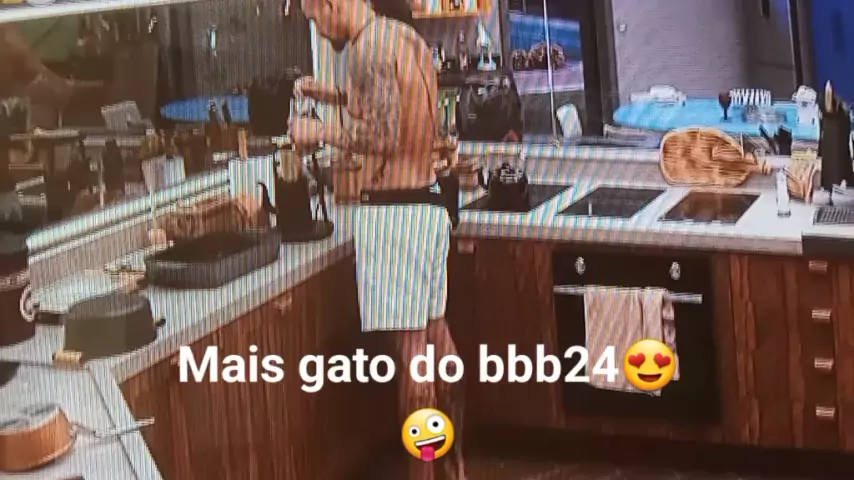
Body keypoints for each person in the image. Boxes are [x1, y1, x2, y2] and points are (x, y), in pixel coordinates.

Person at [292, 1, 466, 479]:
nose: (318, 29)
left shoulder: (366, 49)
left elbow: (383, 135)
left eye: (315, 18)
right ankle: (456, 470)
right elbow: (394, 104)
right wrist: (332, 96)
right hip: (427, 205)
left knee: (413, 359)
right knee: (440, 343)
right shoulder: (401, 37)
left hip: (394, 216)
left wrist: (318, 131)